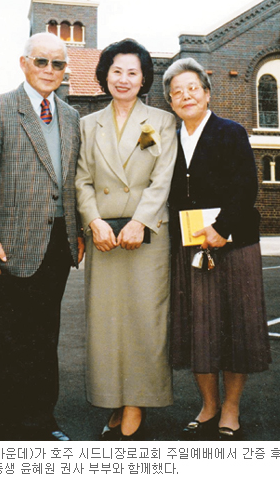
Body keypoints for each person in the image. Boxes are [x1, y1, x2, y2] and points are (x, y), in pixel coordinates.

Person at [0, 32, 84, 441]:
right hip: (6, 247)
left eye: (58, 64)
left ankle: (40, 423)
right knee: (3, 341)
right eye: (41, 62)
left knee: (43, 338)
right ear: (23, 63)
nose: (50, 70)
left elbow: (71, 183)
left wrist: (78, 232)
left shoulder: (70, 117)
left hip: (56, 247)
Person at [163, 58, 271, 441]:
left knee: (234, 329)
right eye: (177, 92)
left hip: (233, 245)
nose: (185, 95)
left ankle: (230, 408)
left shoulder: (230, 131)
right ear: (171, 102)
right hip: (190, 248)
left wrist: (222, 228)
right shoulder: (168, 141)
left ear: (207, 93)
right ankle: (208, 405)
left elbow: (246, 186)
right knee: (199, 329)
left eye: (192, 88)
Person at [75, 38, 177, 440]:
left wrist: (141, 221)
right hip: (104, 239)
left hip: (144, 238)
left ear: (143, 78)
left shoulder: (159, 122)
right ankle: (114, 399)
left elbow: (162, 177)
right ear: (104, 76)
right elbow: (82, 180)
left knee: (144, 322)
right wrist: (94, 222)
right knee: (107, 325)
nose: (123, 79)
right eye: (116, 70)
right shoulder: (88, 124)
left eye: (132, 72)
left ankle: (136, 402)